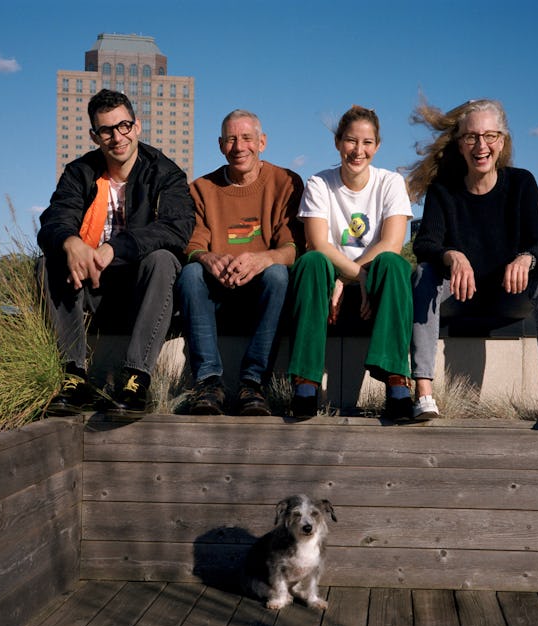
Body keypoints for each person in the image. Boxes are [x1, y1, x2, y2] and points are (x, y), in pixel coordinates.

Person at [407, 98, 538, 424]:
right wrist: (452, 255)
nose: (480, 145)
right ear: (460, 144)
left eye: (490, 136)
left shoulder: (521, 183)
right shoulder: (444, 190)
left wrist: (527, 258)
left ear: (502, 141)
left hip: (508, 295)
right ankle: (424, 394)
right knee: (424, 273)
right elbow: (425, 243)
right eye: (471, 137)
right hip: (458, 296)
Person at [38, 89, 194, 418]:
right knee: (49, 258)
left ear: (136, 126)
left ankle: (136, 378)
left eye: (123, 126)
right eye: (106, 130)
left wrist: (114, 248)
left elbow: (177, 229)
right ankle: (73, 374)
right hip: (90, 287)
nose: (117, 137)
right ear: (95, 136)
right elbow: (54, 219)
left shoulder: (164, 173)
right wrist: (70, 241)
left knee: (163, 258)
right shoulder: (79, 172)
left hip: (145, 293)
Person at [288, 105, 415, 421]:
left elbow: (391, 244)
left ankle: (396, 379)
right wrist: (349, 277)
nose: (359, 151)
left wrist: (355, 279)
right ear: (337, 142)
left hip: (372, 282)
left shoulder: (391, 183)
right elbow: (317, 243)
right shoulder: (319, 183)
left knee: (395, 265)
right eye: (350, 141)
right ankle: (305, 381)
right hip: (327, 284)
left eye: (367, 142)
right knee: (312, 262)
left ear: (378, 145)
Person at [177, 110, 304, 415]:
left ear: (262, 142)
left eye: (247, 138)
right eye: (231, 139)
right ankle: (208, 382)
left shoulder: (286, 182)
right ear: (221, 145)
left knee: (277, 274)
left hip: (265, 294)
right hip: (219, 293)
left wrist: (263, 259)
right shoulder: (202, 189)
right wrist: (208, 258)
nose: (239, 146)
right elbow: (192, 245)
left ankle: (253, 383)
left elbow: (292, 247)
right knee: (191, 273)